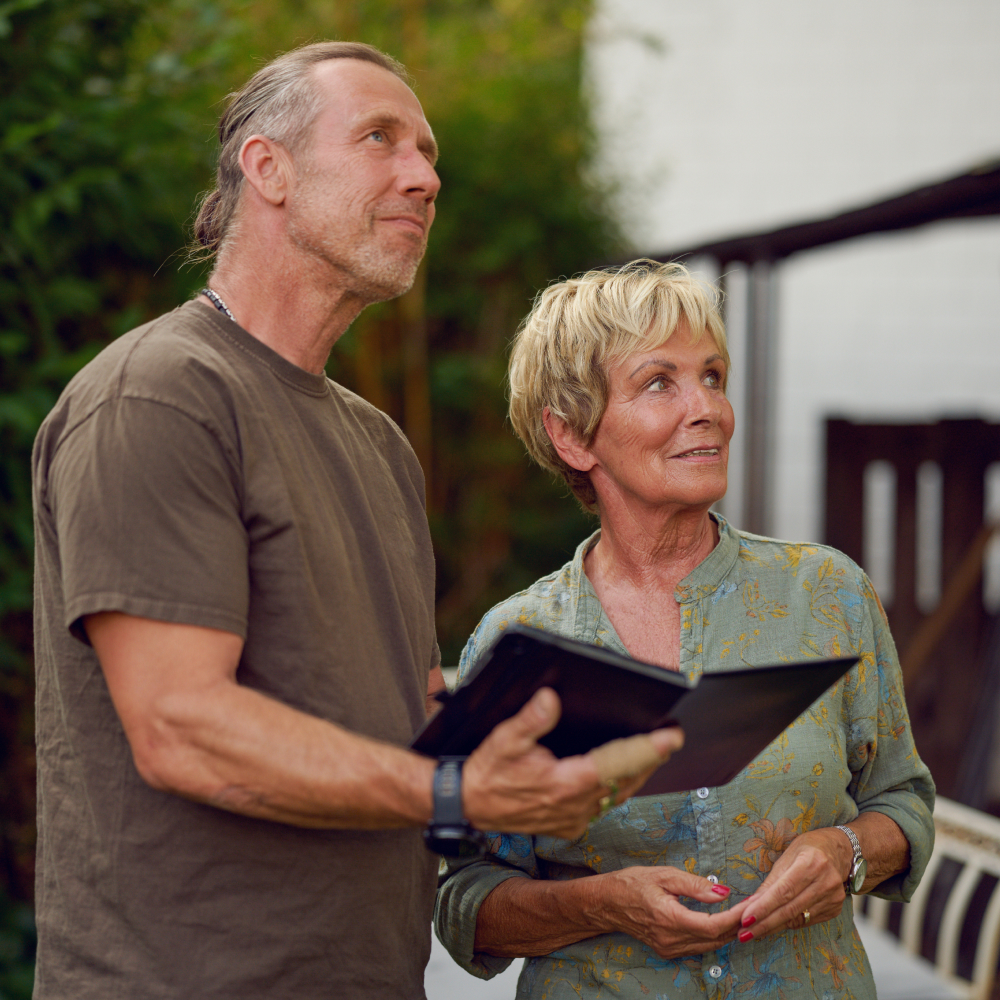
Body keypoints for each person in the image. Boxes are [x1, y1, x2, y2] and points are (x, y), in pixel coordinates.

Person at [30, 46, 681, 999]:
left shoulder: (379, 447)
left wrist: (529, 733)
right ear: (269, 169)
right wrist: (455, 789)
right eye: (380, 139)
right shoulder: (160, 397)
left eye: (427, 153)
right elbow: (180, 725)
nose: (424, 176)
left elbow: (385, 716)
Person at [435, 260, 936, 998]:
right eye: (659, 382)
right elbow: (466, 897)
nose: (708, 408)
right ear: (573, 435)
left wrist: (845, 851)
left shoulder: (829, 595)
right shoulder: (517, 643)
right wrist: (598, 904)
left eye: (713, 376)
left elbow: (904, 803)